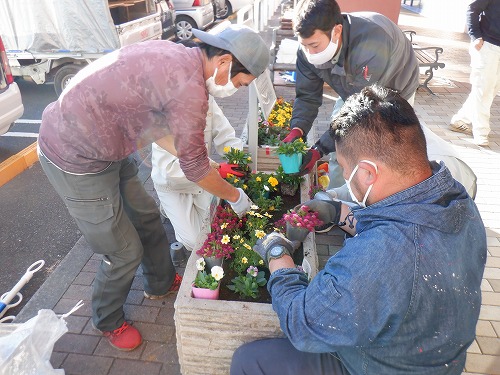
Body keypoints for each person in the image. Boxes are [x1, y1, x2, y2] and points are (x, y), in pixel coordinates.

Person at [37, 25, 269, 351]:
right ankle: (108, 320)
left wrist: (215, 166)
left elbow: (160, 131)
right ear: (225, 61)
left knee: (146, 217)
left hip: (109, 145)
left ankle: (160, 283)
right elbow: (195, 170)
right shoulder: (188, 88)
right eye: (240, 81)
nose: (236, 88)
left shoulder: (179, 57)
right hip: (74, 155)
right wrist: (236, 196)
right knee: (122, 251)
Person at [231, 85, 487, 374]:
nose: (346, 179)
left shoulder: (381, 256)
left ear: (367, 172)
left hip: (382, 366)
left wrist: (278, 255)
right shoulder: (456, 200)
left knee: (249, 361)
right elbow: (402, 225)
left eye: (343, 166)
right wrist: (339, 213)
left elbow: (302, 325)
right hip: (433, 354)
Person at [282, 0, 420, 186]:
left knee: (374, 152)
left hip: (392, 91)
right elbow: (307, 97)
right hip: (355, 87)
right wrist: (297, 129)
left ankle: (367, 204)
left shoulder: (372, 42)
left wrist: (319, 149)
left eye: (314, 45)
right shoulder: (307, 48)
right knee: (340, 152)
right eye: (304, 45)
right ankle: (337, 200)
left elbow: (364, 110)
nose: (309, 53)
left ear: (336, 31)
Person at [151, 95, 243, 253]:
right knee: (195, 242)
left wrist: (238, 157)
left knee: (212, 229)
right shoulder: (163, 109)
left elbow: (224, 133)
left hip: (202, 177)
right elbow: (171, 170)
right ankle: (167, 207)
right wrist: (217, 169)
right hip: (172, 184)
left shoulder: (205, 97)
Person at [318, 124, 478, 201]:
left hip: (455, 180)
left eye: (344, 167)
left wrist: (340, 212)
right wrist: (336, 194)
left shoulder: (423, 174)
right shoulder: (374, 138)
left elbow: (398, 216)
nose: (345, 174)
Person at [449, 0, 500, 147]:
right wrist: (475, 36)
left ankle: (460, 119)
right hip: (487, 46)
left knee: (491, 89)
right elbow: (472, 8)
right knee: (483, 90)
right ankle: (481, 132)